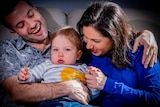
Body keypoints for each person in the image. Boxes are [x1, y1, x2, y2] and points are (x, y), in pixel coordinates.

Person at [0, 0, 158, 106]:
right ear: (13, 31)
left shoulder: (72, 41)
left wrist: (146, 34)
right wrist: (67, 87)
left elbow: (155, 99)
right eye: (21, 24)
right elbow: (17, 91)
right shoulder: (7, 50)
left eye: (30, 14)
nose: (32, 24)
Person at [77, 1, 160, 107]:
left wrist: (107, 84)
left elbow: (155, 99)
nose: (88, 46)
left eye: (96, 41)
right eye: (85, 38)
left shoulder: (141, 51)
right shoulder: (81, 49)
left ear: (115, 37)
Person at [17, 26, 100, 107]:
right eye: (55, 49)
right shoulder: (47, 65)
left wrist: (95, 85)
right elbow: (33, 75)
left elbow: (90, 95)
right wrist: (26, 76)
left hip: (77, 103)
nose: (60, 54)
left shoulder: (83, 68)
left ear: (78, 55)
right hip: (52, 102)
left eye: (67, 49)